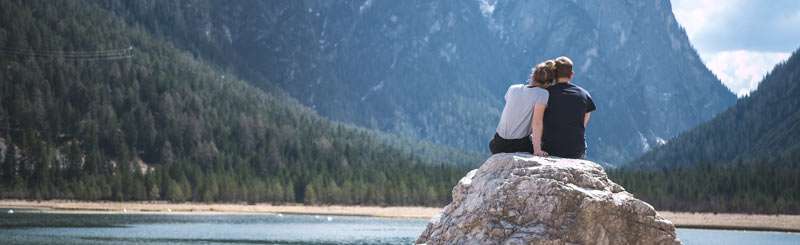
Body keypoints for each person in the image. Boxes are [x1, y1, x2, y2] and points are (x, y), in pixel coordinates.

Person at [490, 61, 556, 156]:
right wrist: (537, 150)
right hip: (517, 145)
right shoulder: (542, 94)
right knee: (548, 144)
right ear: (549, 83)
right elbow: (537, 123)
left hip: (497, 143)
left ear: (532, 75)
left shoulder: (513, 88)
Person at [542, 56, 596, 159]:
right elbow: (583, 123)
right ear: (571, 75)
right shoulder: (584, 94)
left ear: (554, 74)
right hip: (575, 151)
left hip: (550, 149)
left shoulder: (545, 94)